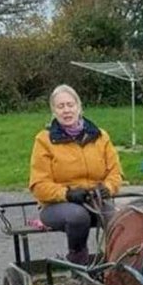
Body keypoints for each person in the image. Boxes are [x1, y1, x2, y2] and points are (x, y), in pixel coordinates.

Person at [28, 84, 123, 266]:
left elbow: (115, 172)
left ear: (79, 107)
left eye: (70, 105)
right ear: (53, 111)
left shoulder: (101, 136)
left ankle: (114, 264)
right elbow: (39, 185)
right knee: (78, 216)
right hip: (57, 206)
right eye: (61, 106)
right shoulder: (44, 140)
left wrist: (108, 188)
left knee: (119, 219)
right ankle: (78, 262)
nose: (66, 110)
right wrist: (67, 194)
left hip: (94, 200)